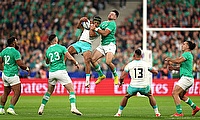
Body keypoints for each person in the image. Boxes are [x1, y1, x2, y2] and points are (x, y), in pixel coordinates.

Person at [38, 34, 82, 116]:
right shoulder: (61, 47)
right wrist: (76, 63)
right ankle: (73, 107)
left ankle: (41, 107)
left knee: (49, 91)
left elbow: (47, 62)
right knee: (71, 89)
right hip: (61, 71)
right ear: (55, 40)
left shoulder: (48, 50)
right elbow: (69, 57)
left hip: (52, 73)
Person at [114, 49, 161, 117]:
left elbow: (122, 76)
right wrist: (154, 72)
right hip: (144, 85)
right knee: (150, 95)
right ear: (141, 55)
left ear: (134, 55)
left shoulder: (130, 64)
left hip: (134, 85)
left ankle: (118, 113)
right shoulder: (145, 64)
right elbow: (155, 72)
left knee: (126, 96)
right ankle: (157, 113)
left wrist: (121, 82)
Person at [165, 41, 200, 117]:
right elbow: (182, 67)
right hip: (188, 78)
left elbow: (178, 61)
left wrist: (170, 59)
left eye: (184, 44)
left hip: (186, 78)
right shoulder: (188, 55)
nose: (182, 45)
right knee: (181, 95)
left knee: (174, 93)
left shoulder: (186, 54)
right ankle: (195, 107)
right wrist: (173, 68)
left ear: (188, 47)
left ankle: (179, 112)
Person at [67, 16, 102, 88]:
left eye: (97, 23)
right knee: (67, 51)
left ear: (99, 24)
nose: (96, 24)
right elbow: (78, 27)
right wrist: (80, 21)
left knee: (87, 61)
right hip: (79, 43)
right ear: (93, 21)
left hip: (87, 45)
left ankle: (87, 81)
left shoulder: (98, 30)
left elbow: (91, 34)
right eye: (95, 22)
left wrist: (92, 28)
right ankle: (61, 68)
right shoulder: (88, 24)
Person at [0, 37, 30, 115]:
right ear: (13, 43)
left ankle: (1, 108)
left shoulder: (3, 51)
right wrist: (26, 68)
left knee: (6, 92)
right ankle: (11, 108)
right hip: (12, 75)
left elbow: (0, 62)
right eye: (16, 41)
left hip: (5, 75)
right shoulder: (15, 52)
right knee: (17, 92)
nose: (17, 43)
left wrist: (3, 70)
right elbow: (19, 64)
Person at [90, 9, 119, 85]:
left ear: (115, 18)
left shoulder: (112, 23)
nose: (110, 15)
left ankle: (116, 76)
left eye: (112, 14)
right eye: (110, 13)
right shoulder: (103, 23)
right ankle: (101, 75)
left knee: (108, 62)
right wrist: (92, 26)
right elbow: (97, 32)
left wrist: (96, 29)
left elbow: (105, 33)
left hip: (110, 44)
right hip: (102, 45)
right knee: (92, 60)